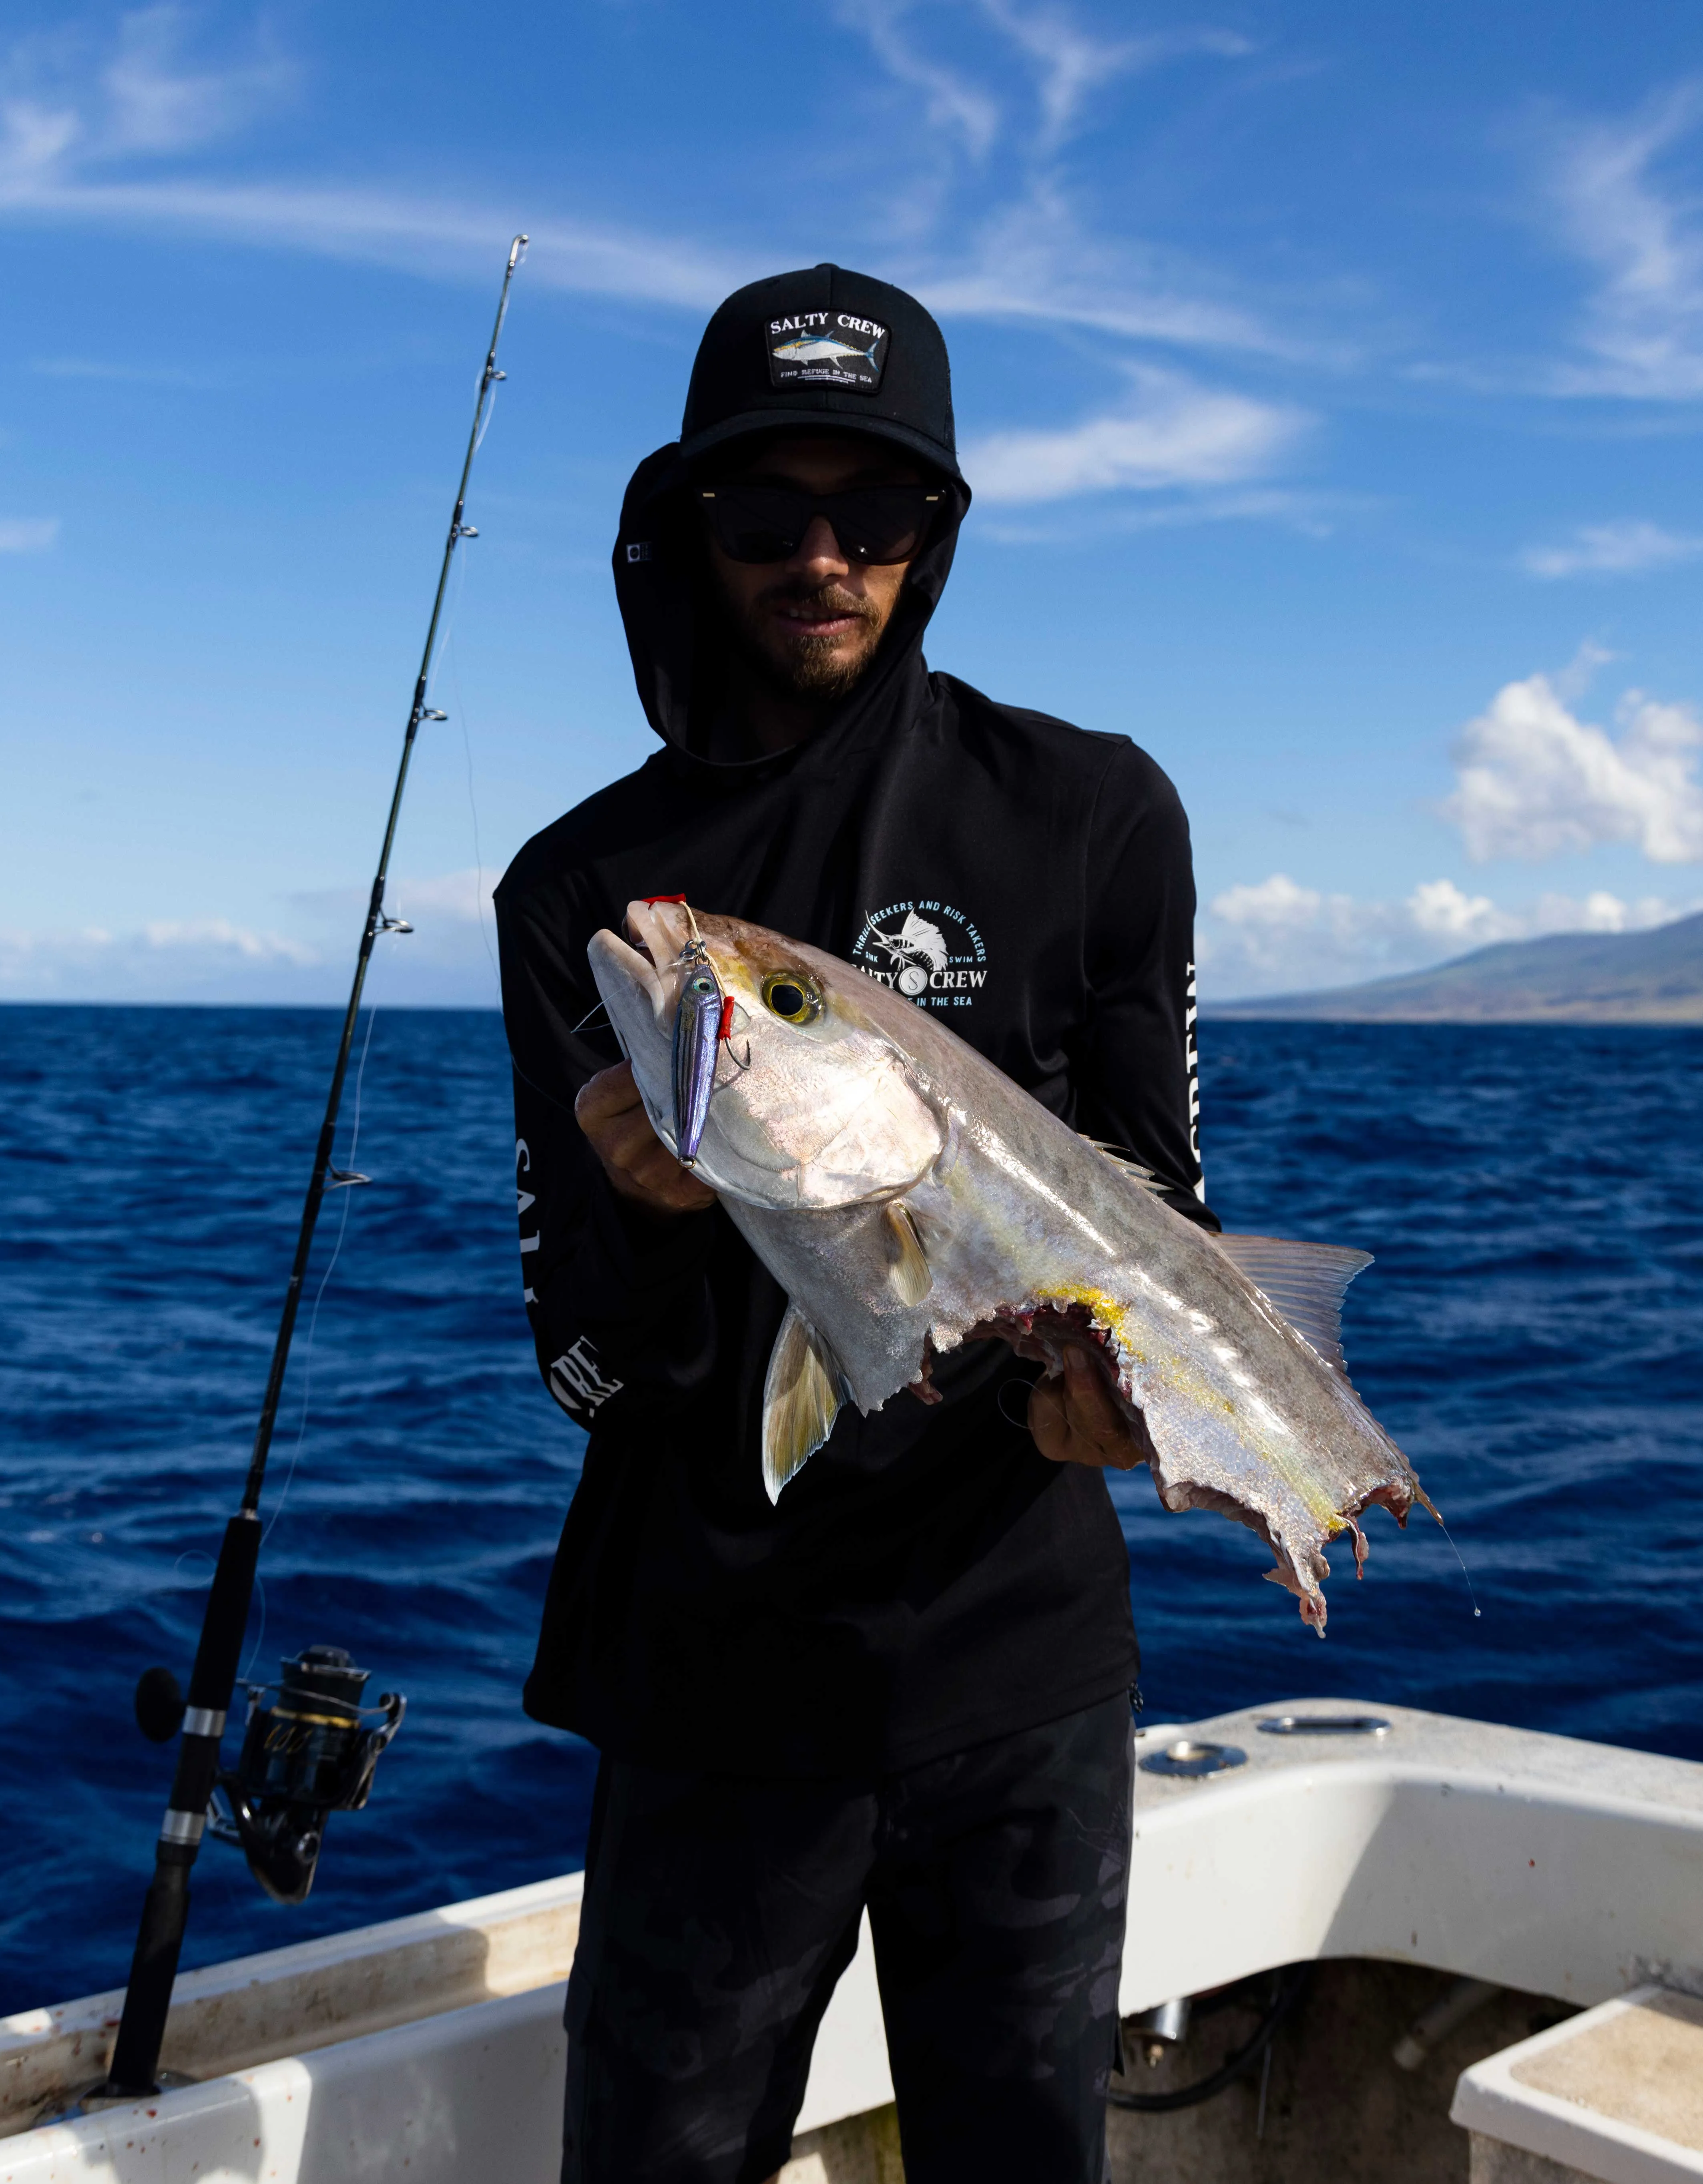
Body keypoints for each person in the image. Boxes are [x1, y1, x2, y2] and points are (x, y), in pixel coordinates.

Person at [494, 264, 1214, 2184]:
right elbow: (573, 1357)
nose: (822, 559)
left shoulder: (1093, 814)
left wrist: (1125, 1399)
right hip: (713, 1684)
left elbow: (1161, 1206)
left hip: (1021, 1666)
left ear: (938, 534)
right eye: (763, 515)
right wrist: (647, 1216)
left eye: (876, 513)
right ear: (689, 531)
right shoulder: (589, 891)